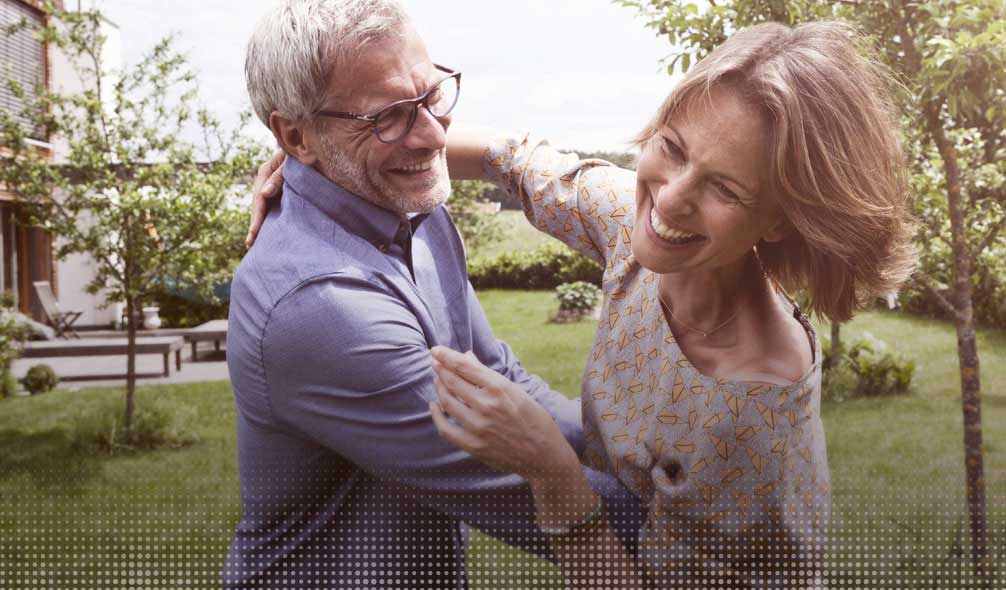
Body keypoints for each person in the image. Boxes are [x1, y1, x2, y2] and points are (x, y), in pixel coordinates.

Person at [426, 20, 917, 588]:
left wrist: (551, 471)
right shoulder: (628, 224)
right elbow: (508, 158)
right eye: (673, 147)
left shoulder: (750, 410)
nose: (671, 197)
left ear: (781, 220)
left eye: (725, 189)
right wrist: (321, 147)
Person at [226, 1, 641, 588]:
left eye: (431, 96)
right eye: (388, 117)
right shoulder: (320, 307)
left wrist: (642, 452)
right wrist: (712, 525)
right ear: (296, 135)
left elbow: (499, 381)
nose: (432, 133)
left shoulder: (411, 212)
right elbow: (521, 480)